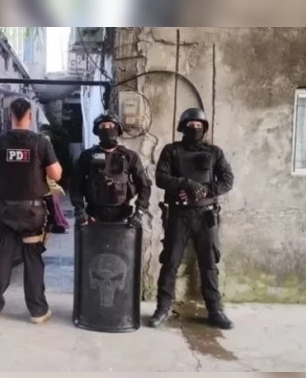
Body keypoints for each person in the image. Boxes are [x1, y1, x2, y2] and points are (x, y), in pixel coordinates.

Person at [0, 97, 63, 324]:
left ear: (9, 117)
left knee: (2, 258)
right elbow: (56, 174)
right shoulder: (40, 143)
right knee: (32, 259)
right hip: (32, 214)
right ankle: (37, 311)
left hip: (5, 212)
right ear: (30, 116)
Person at [149, 107, 234, 330]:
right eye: (191, 125)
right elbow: (161, 178)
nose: (195, 128)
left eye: (199, 125)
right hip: (178, 215)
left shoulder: (214, 152)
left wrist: (204, 191)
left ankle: (215, 310)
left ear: (204, 129)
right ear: (183, 127)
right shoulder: (171, 150)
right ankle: (163, 308)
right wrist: (186, 184)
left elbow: (227, 180)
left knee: (209, 264)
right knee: (170, 262)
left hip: (206, 215)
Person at [70, 112, 152, 228]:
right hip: (93, 215)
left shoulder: (130, 156)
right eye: (103, 126)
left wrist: (140, 211)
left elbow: (144, 185)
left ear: (117, 129)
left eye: (111, 126)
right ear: (97, 131)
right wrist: (79, 209)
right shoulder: (87, 156)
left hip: (123, 217)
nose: (107, 129)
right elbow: (76, 184)